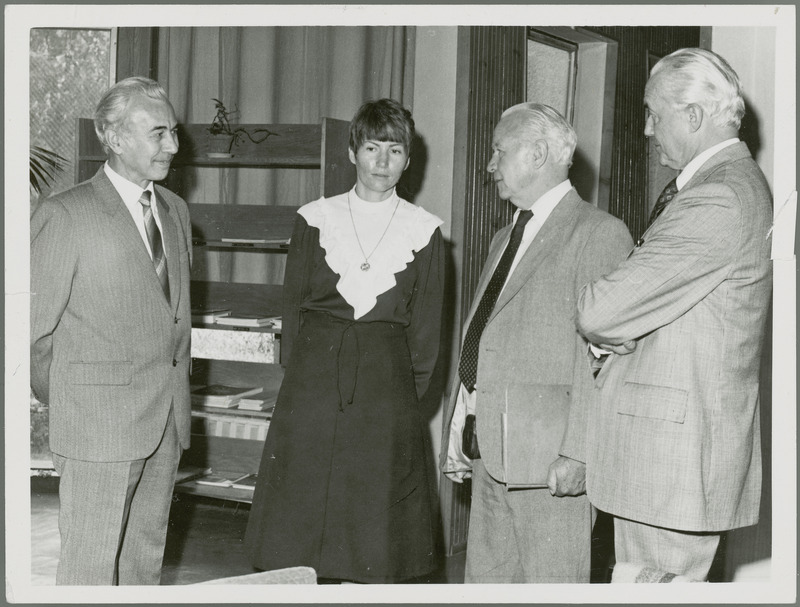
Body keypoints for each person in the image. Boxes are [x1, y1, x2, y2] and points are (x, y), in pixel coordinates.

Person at [576, 48, 773, 581]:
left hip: (672, 460)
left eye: (652, 113)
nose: (646, 129)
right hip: (672, 454)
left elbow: (601, 309)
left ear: (692, 115)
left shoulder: (719, 198)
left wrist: (611, 327)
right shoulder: (725, 187)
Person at [244, 98, 445, 583]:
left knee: (372, 525)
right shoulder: (315, 219)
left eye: (394, 151)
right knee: (304, 517)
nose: (381, 162)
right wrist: (303, 389)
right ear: (352, 151)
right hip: (314, 381)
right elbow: (293, 313)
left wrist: (398, 401)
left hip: (385, 388)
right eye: (372, 147)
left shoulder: (424, 231)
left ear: (409, 159)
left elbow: (426, 335)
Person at [440, 103, 633, 583]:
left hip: (551, 461)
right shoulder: (505, 235)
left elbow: (603, 361)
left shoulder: (599, 234)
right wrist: (462, 420)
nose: (489, 166)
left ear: (538, 153)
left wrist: (580, 452)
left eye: (499, 151)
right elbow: (486, 337)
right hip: (489, 451)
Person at [30, 77, 192, 585]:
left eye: (173, 132)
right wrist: (80, 402)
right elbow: (31, 336)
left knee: (143, 567)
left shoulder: (176, 212)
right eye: (158, 132)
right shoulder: (64, 215)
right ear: (115, 137)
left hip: (166, 422)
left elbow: (172, 319)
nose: (172, 145)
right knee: (89, 574)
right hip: (97, 429)